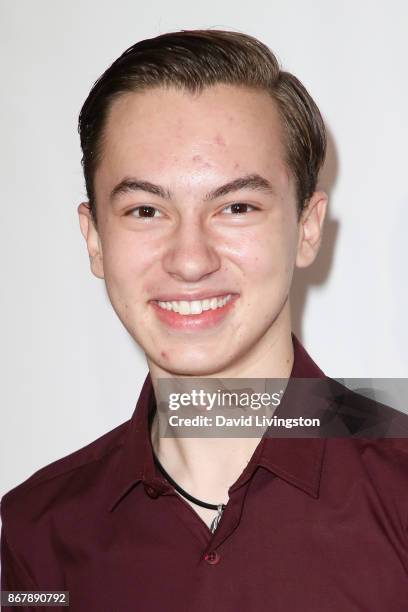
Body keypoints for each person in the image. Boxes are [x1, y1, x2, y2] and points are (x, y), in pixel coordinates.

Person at [1, 29, 408, 612]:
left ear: (307, 227)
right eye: (146, 210)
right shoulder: (30, 537)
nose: (190, 259)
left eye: (236, 207)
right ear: (94, 240)